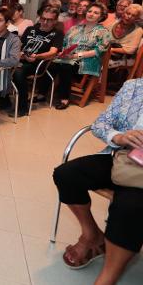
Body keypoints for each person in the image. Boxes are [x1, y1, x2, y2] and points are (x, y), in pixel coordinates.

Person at [52, 78, 143, 284]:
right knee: (66, 174)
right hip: (120, 158)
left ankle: (108, 276)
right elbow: (101, 123)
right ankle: (91, 234)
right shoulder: (134, 86)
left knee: (129, 207)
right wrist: (119, 137)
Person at [51, 2, 111, 110]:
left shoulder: (103, 32)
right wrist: (63, 52)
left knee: (65, 66)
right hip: (68, 57)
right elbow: (65, 44)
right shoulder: (75, 28)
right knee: (50, 63)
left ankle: (64, 98)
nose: (91, 14)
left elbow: (99, 51)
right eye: (89, 11)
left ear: (101, 17)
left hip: (87, 61)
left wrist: (76, 55)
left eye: (96, 13)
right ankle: (42, 93)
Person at [11, 6, 64, 117]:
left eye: (49, 20)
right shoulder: (31, 29)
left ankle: (22, 107)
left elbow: (53, 52)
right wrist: (18, 53)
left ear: (55, 21)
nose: (45, 22)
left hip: (39, 63)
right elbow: (19, 45)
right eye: (43, 18)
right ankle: (3, 101)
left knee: (18, 72)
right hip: (22, 59)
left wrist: (37, 56)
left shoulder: (58, 33)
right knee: (1, 67)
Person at [107, 3, 143, 69]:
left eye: (133, 15)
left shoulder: (138, 30)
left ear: (136, 18)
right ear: (123, 13)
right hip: (106, 53)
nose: (129, 16)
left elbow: (130, 50)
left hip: (123, 58)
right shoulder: (113, 23)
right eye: (128, 13)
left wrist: (110, 50)